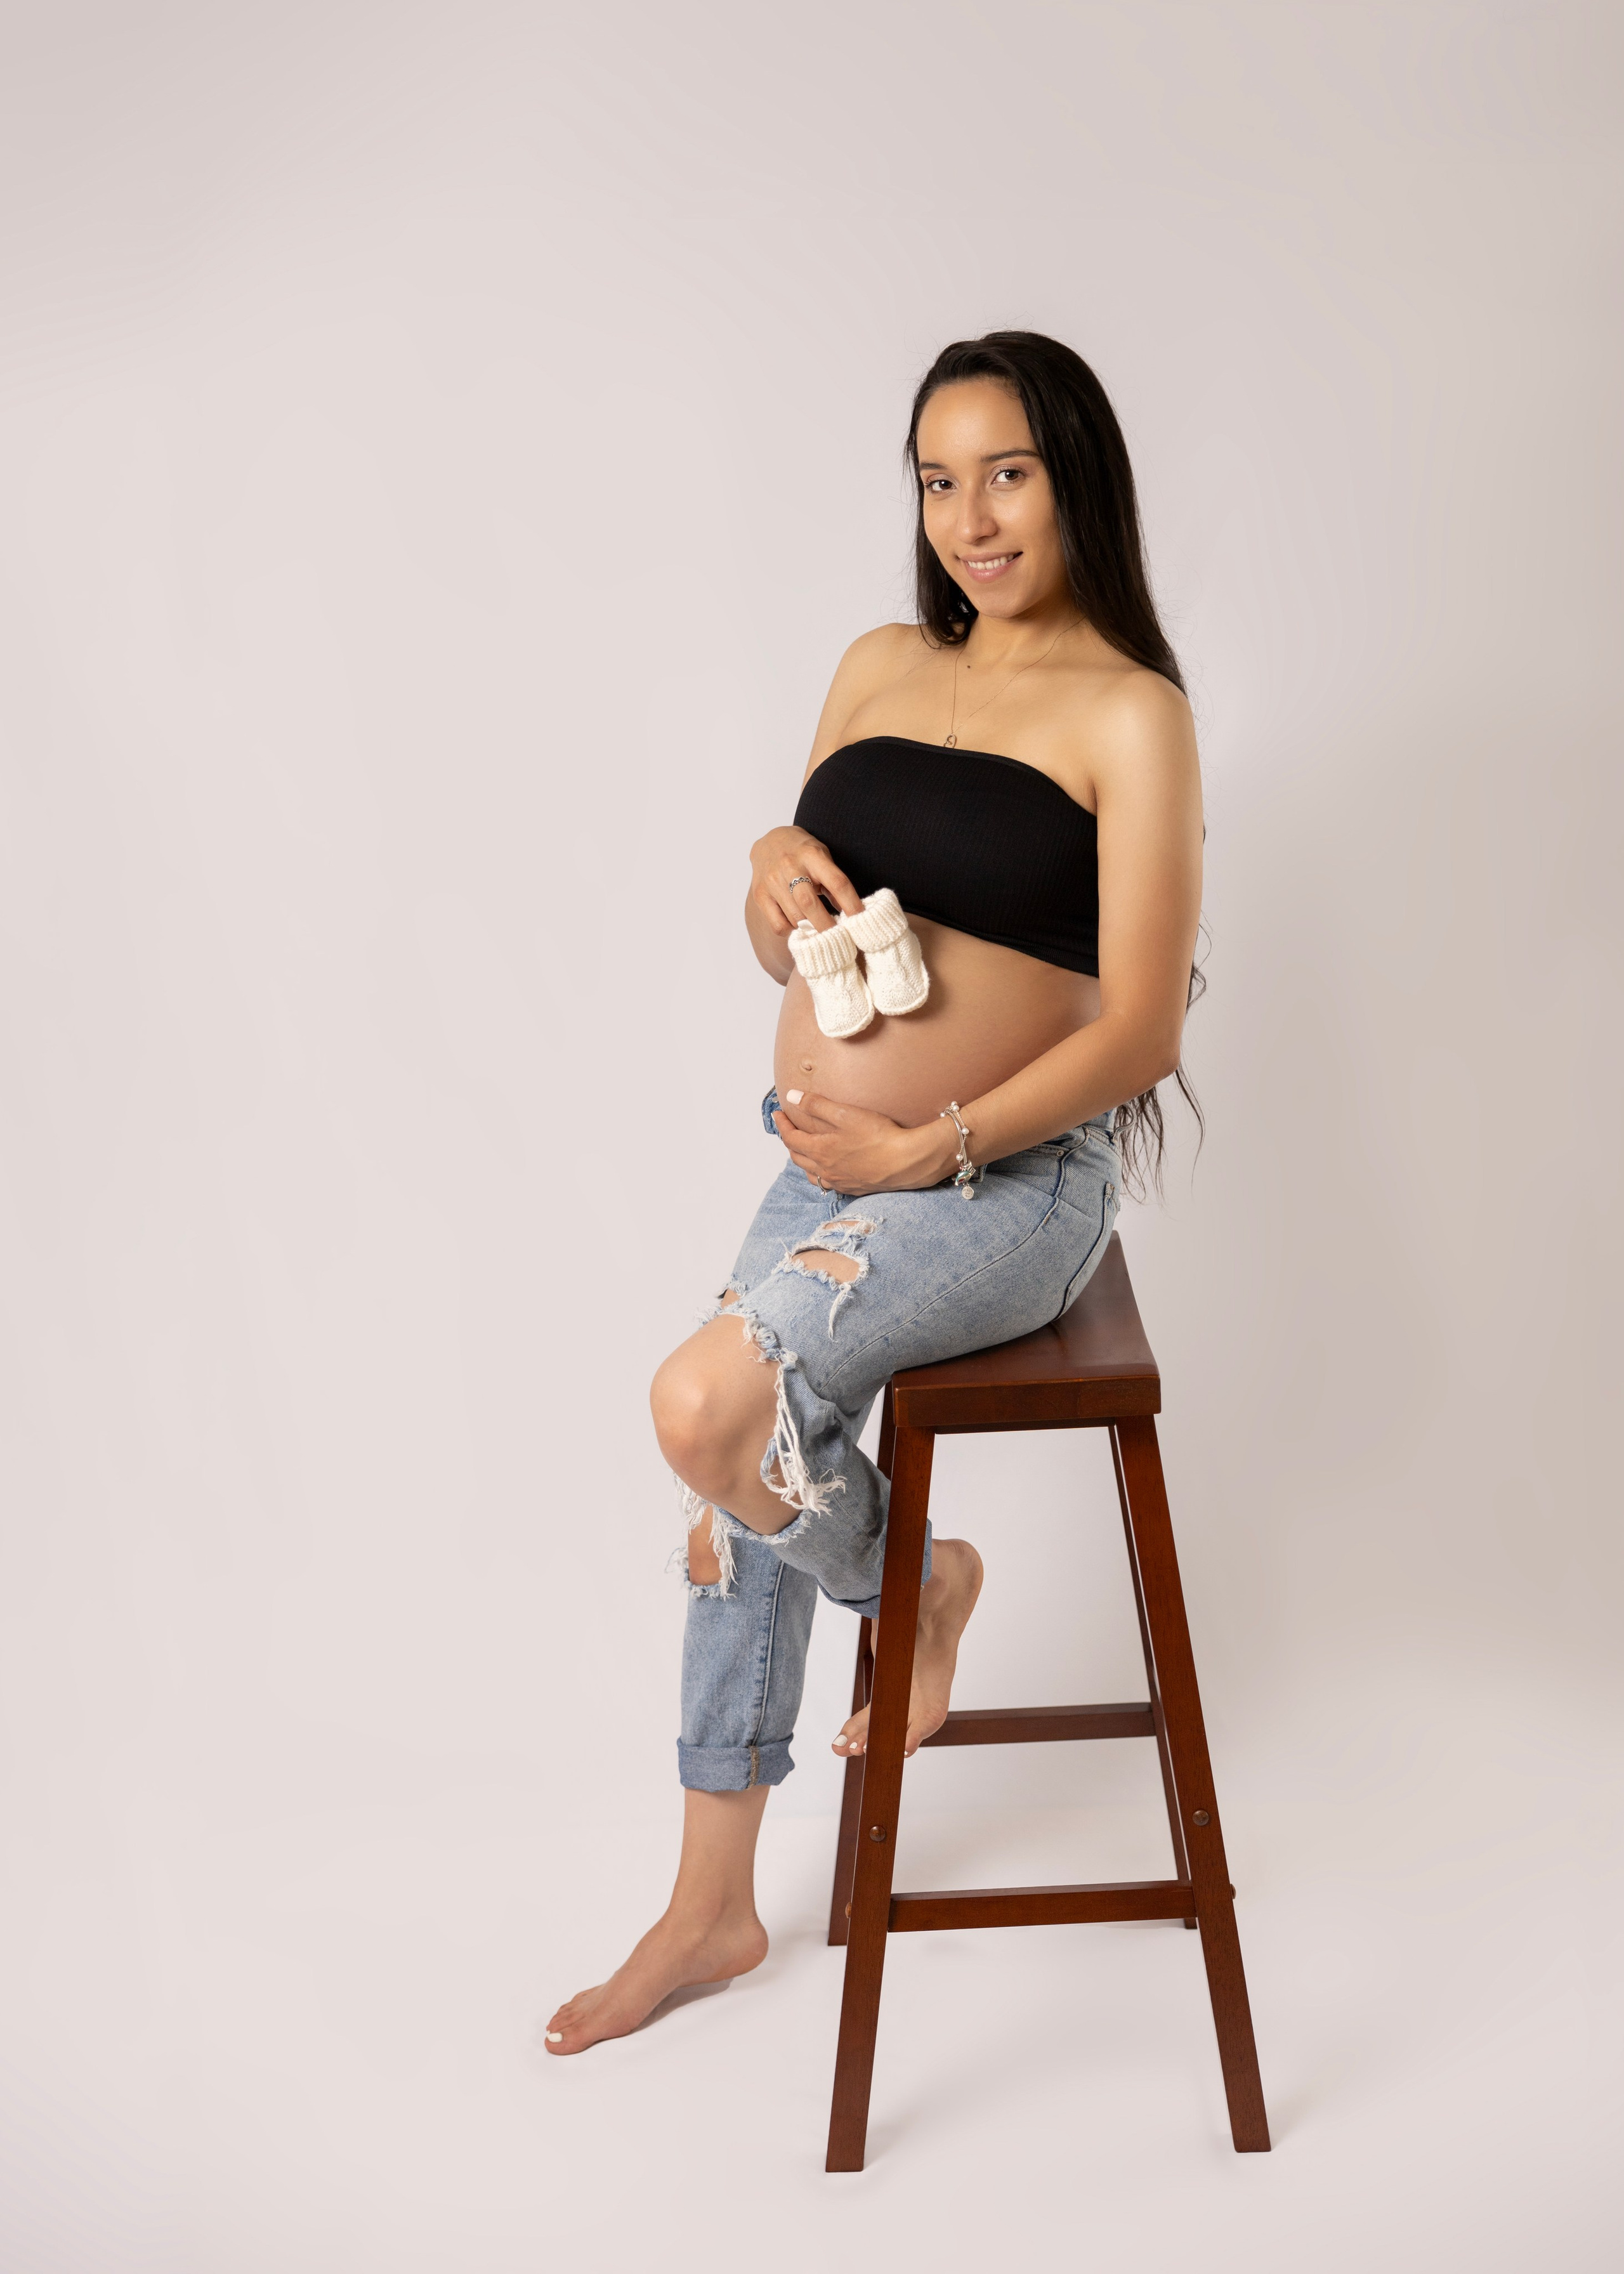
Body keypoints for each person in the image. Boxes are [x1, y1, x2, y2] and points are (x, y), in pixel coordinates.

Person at [545, 330, 1204, 2055]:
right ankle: (711, 1904)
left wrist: (938, 1143)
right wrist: (765, 875)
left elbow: (1135, 1024)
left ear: (1074, 476)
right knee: (728, 1487)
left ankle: (912, 1583)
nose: (970, 516)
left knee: (713, 1415)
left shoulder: (1133, 713)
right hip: (831, 1155)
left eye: (1007, 472)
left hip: (1008, 1185)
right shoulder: (876, 660)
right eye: (937, 478)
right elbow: (798, 921)